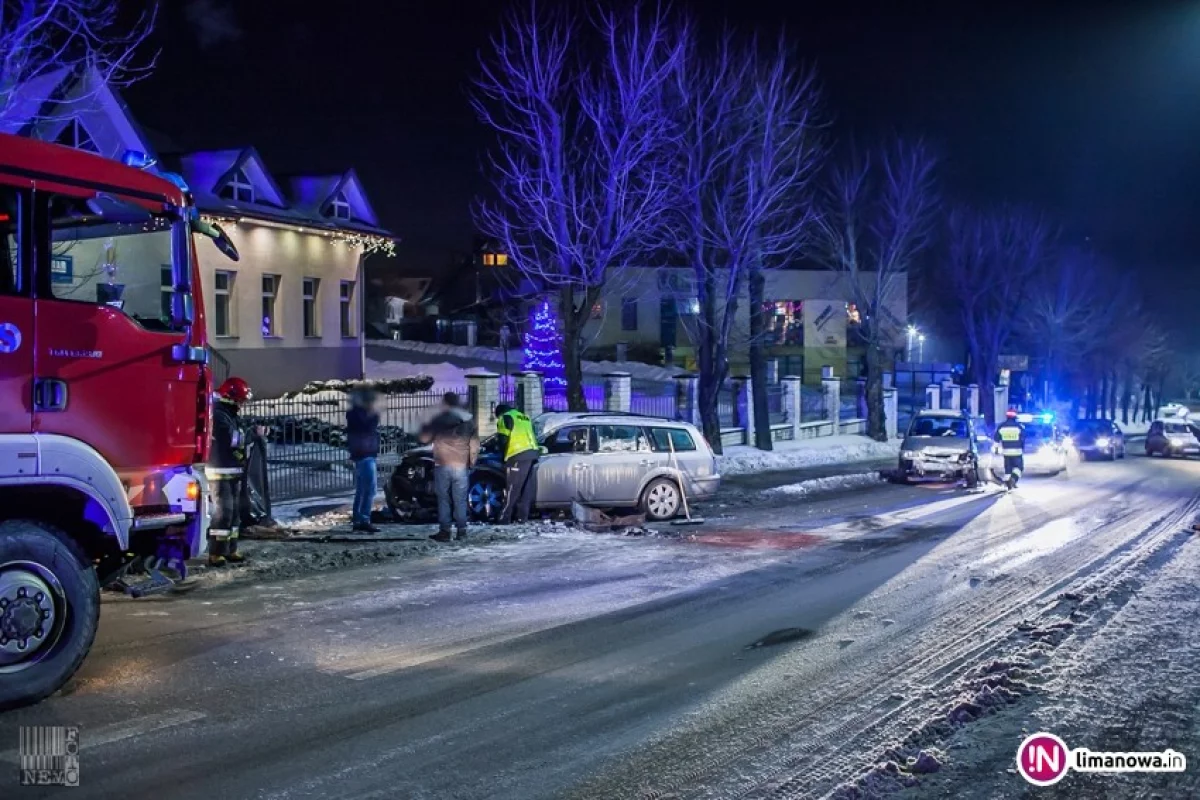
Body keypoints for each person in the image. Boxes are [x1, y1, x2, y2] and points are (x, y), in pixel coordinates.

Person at [206, 377, 256, 566]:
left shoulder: (230, 413)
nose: (242, 404)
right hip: (220, 472)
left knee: (235, 513)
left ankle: (230, 550)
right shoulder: (219, 414)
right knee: (223, 513)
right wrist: (252, 434)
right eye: (241, 400)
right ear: (231, 397)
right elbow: (233, 439)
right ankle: (216, 553)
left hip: (233, 471)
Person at [420, 392, 479, 542]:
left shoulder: (439, 419)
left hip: (443, 463)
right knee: (460, 499)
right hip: (461, 465)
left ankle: (445, 531)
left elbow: (424, 438)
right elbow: (474, 445)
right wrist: (471, 462)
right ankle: (462, 531)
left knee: (443, 498)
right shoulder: (469, 420)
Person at [494, 403, 540, 525]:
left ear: (500, 413)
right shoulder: (524, 417)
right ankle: (522, 517)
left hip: (517, 455)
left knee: (512, 489)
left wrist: (502, 456)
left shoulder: (505, 417)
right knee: (526, 489)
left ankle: (504, 518)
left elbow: (502, 439)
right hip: (532, 453)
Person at [347, 388, 382, 533]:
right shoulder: (360, 415)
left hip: (363, 453)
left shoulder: (355, 414)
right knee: (369, 489)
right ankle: (363, 519)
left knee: (362, 489)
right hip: (365, 454)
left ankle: (359, 519)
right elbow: (369, 426)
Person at [995, 408, 1026, 489]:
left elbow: (996, 439)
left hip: (1006, 452)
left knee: (1008, 469)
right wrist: (1023, 447)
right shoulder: (1019, 426)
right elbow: (1023, 438)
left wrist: (996, 449)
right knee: (1019, 468)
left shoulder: (1001, 426)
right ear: (1015, 416)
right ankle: (1013, 479)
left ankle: (1008, 484)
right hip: (1017, 452)